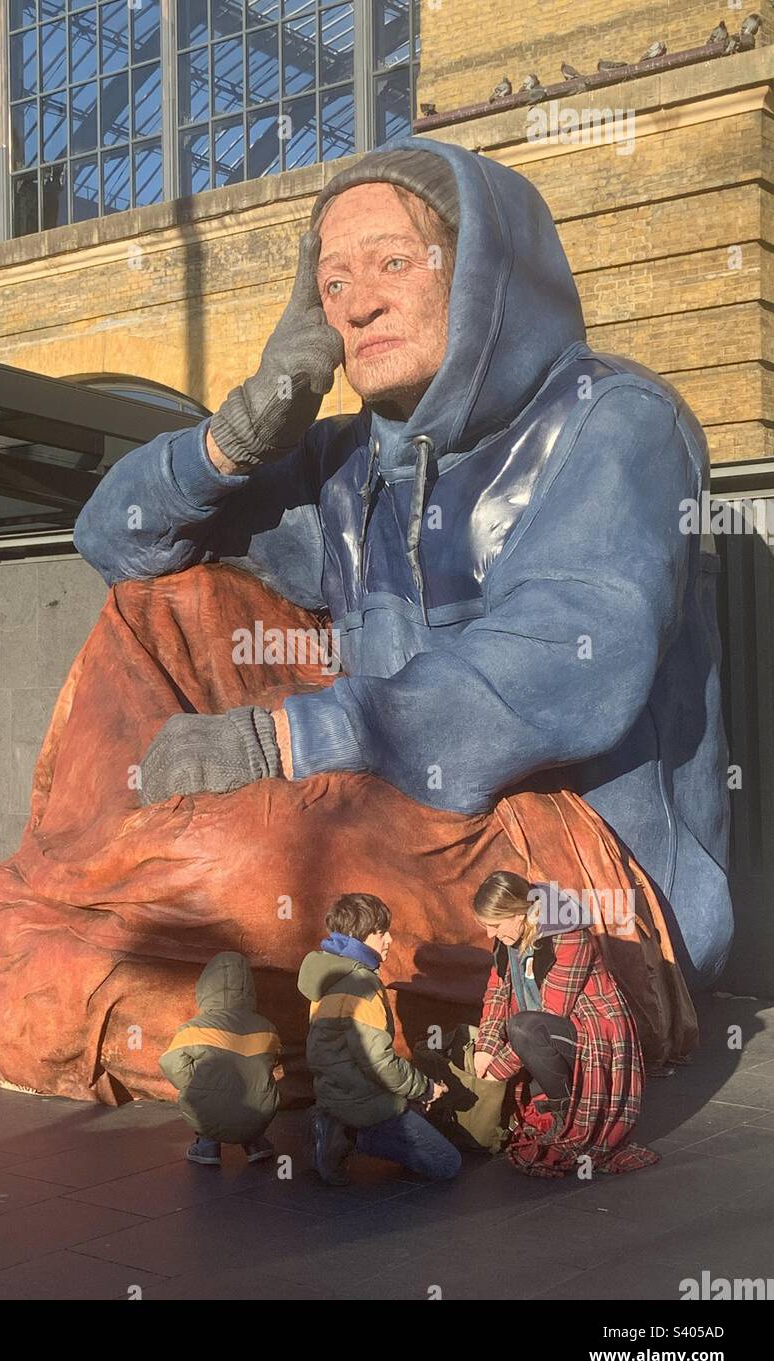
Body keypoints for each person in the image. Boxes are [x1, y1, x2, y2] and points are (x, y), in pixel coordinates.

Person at [73, 135, 731, 994]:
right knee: (158, 608)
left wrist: (288, 739)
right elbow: (115, 541)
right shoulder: (343, 464)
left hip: (590, 885)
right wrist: (239, 434)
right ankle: (66, 922)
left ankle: (57, 946)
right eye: (332, 284)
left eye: (393, 262)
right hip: (394, 820)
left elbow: (559, 660)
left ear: (486, 277)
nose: (356, 307)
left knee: (245, 871)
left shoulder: (613, 417)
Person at [472, 870, 659, 1177]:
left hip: (592, 1034)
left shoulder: (569, 935)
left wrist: (496, 1072)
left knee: (524, 1029)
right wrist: (486, 1047)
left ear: (519, 913)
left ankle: (567, 1114)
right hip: (545, 1028)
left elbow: (553, 1012)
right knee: (522, 1030)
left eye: (495, 925)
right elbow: (496, 992)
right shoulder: (509, 937)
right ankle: (554, 1099)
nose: (490, 934)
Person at [298, 892, 461, 1185]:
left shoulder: (327, 977)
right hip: (364, 1102)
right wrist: (425, 1088)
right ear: (358, 938)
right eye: (381, 932)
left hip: (333, 1092)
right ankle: (349, 1138)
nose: (389, 940)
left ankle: (329, 1123)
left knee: (414, 1113)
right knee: (446, 1163)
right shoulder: (362, 985)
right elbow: (380, 1063)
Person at [159, 951, 279, 1166]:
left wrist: (198, 1084)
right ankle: (255, 1144)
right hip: (259, 1113)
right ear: (249, 988)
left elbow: (170, 1063)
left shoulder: (194, 1027)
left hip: (208, 1112)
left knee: (208, 1103)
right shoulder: (267, 1027)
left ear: (206, 987)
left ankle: (207, 1146)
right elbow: (272, 1062)